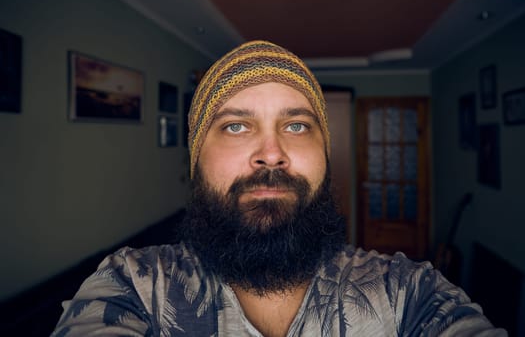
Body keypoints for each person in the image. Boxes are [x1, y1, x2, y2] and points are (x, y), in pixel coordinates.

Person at [51, 40, 506, 336]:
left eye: (296, 124)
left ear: (326, 155)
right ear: (195, 159)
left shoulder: (407, 292)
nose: (272, 153)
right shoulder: (133, 286)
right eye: (234, 126)